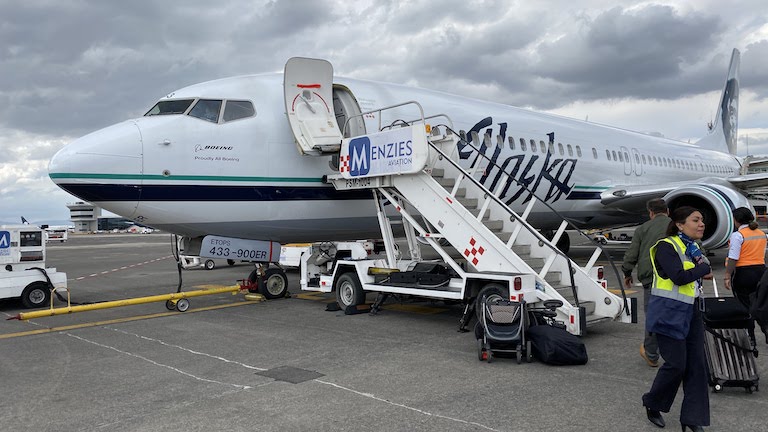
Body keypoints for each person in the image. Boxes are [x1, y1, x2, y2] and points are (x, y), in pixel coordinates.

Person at [642, 206, 711, 431]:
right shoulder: (666, 246)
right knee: (676, 365)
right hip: (669, 313)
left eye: (702, 220)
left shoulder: (694, 248)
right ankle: (653, 403)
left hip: (692, 312)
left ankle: (692, 419)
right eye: (696, 220)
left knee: (697, 366)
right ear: (680, 224)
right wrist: (703, 269)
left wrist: (701, 268)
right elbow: (679, 277)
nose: (701, 224)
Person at [622, 198, 670, 367]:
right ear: (667, 211)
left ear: (651, 213)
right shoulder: (678, 225)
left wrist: (627, 272)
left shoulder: (643, 229)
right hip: (677, 278)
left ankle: (651, 354)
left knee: (654, 317)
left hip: (652, 279)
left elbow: (632, 254)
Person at [724, 207, 768, 344]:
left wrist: (727, 275)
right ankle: (766, 331)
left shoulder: (738, 235)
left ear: (736, 220)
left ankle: (751, 337)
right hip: (761, 272)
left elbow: (733, 258)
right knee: (760, 304)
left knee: (745, 307)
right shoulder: (762, 233)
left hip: (743, 274)